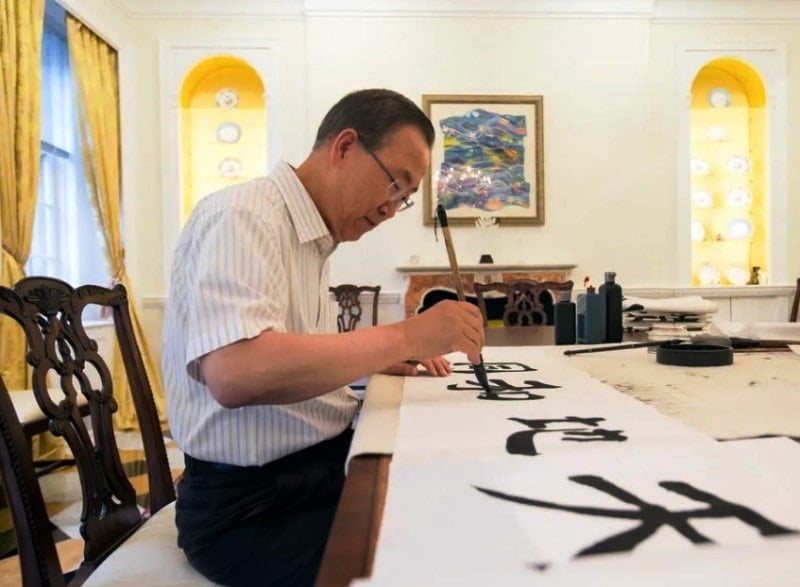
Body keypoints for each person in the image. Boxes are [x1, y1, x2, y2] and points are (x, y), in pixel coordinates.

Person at [162, 88, 485, 586]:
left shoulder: (311, 242)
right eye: (395, 186)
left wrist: (364, 362)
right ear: (345, 146)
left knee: (466, 497)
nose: (390, 209)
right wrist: (405, 336)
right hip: (252, 511)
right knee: (446, 557)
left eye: (404, 200)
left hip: (314, 473)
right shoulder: (244, 215)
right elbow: (236, 372)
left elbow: (285, 358)